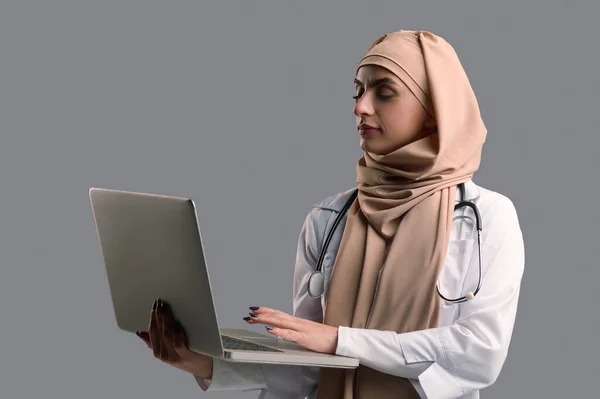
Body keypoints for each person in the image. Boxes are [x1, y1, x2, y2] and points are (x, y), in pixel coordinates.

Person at [135, 29, 525, 399]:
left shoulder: (487, 218)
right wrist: (201, 363)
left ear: (433, 110)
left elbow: (480, 353)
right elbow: (308, 367)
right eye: (358, 91)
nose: (361, 107)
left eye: (384, 92)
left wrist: (340, 340)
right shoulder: (328, 217)